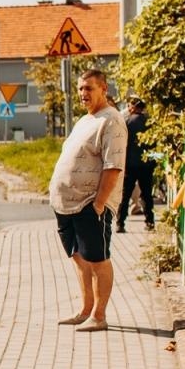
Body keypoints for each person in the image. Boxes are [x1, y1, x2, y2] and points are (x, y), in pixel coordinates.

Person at [50, 68, 127, 332]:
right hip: (66, 204)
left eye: (89, 88)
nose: (83, 93)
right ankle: (85, 310)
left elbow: (113, 165)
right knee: (79, 258)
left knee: (97, 259)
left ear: (104, 89)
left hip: (89, 204)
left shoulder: (111, 120)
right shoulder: (85, 120)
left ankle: (99, 315)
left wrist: (99, 203)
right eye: (81, 88)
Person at [118, 97, 155, 233]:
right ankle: (150, 222)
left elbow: (121, 143)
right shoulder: (150, 122)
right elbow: (154, 145)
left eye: (128, 106)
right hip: (146, 164)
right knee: (146, 194)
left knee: (125, 194)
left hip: (129, 165)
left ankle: (120, 223)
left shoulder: (126, 122)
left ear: (133, 107)